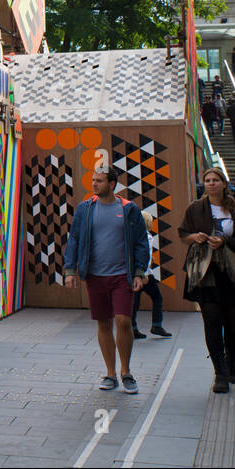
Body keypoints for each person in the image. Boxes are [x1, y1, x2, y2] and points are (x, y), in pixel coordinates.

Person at [64, 165, 150, 394]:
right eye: (93, 180)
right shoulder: (85, 209)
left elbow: (142, 242)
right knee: (104, 323)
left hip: (123, 275)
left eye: (99, 181)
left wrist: (140, 272)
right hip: (95, 275)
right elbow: (74, 240)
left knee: (123, 321)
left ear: (112, 184)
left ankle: (126, 371)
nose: (94, 184)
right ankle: (110, 373)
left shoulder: (129, 209)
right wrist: (70, 270)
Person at [180, 167, 235, 393]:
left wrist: (225, 241)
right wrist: (196, 237)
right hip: (205, 272)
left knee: (233, 324)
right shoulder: (195, 209)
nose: (211, 184)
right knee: (212, 322)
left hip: (232, 274)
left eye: (215, 180)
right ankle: (219, 372)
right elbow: (183, 234)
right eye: (207, 180)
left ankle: (231, 363)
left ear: (223, 183)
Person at [131, 212, 171, 340]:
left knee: (134, 302)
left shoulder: (132, 235)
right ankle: (157, 325)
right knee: (157, 298)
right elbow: (145, 255)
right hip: (143, 273)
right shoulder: (147, 236)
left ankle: (133, 328)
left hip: (132, 272)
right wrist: (145, 272)